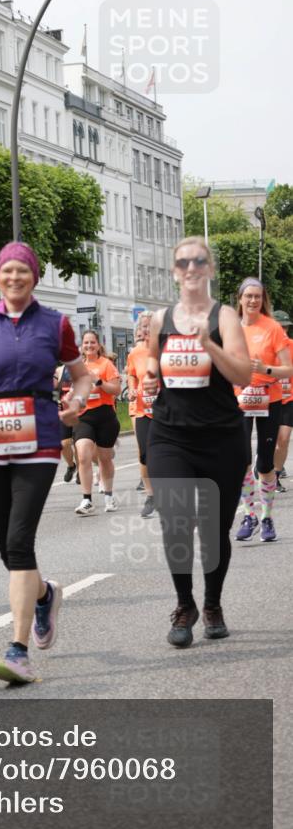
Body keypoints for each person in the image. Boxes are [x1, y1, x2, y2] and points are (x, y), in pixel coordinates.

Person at [0, 242, 92, 684]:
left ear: (34, 276)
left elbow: (82, 373)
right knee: (7, 550)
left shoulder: (56, 323)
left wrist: (78, 401)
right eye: (7, 271)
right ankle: (45, 594)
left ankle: (18, 652)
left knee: (18, 541)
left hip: (41, 437)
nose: (15, 278)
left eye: (23, 271)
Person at [143, 238, 251, 647]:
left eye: (199, 261)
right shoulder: (161, 318)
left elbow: (242, 375)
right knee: (175, 523)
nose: (191, 267)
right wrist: (152, 374)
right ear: (174, 271)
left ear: (209, 270)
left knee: (214, 530)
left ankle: (213, 604)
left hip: (222, 437)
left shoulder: (224, 318)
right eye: (183, 262)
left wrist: (207, 345)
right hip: (170, 434)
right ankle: (185, 604)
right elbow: (152, 356)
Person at [234, 279, 292, 542]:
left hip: (270, 399)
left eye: (257, 296)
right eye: (249, 296)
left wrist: (264, 370)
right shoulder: (230, 329)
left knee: (265, 462)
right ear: (240, 299)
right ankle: (250, 515)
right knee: (241, 459)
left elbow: (289, 369)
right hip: (239, 401)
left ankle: (267, 517)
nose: (253, 301)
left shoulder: (273, 328)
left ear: (263, 299)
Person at [72, 331, 121, 515]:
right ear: (82, 346)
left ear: (98, 345)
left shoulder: (106, 364)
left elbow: (116, 390)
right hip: (83, 416)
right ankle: (87, 500)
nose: (89, 345)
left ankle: (109, 496)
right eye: (86, 342)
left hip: (105, 416)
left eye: (92, 342)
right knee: (83, 455)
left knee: (105, 458)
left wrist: (98, 381)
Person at [126, 312, 157, 518]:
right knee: (144, 453)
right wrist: (131, 388)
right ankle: (151, 495)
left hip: (165, 411)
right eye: (143, 326)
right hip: (142, 409)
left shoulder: (164, 349)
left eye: (150, 326)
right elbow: (131, 373)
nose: (146, 330)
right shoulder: (135, 353)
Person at [273, 316, 293, 492]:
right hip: (269, 398)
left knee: (284, 439)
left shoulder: (292, 346)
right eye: (281, 328)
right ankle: (264, 463)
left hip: (288, 399)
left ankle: (276, 476)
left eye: (286, 328)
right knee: (269, 440)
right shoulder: (267, 345)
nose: (284, 332)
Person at [54, 362, 77, 482]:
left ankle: (82, 470)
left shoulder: (83, 368)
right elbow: (53, 389)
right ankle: (71, 466)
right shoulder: (59, 370)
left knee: (79, 443)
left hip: (80, 412)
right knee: (64, 444)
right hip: (64, 413)